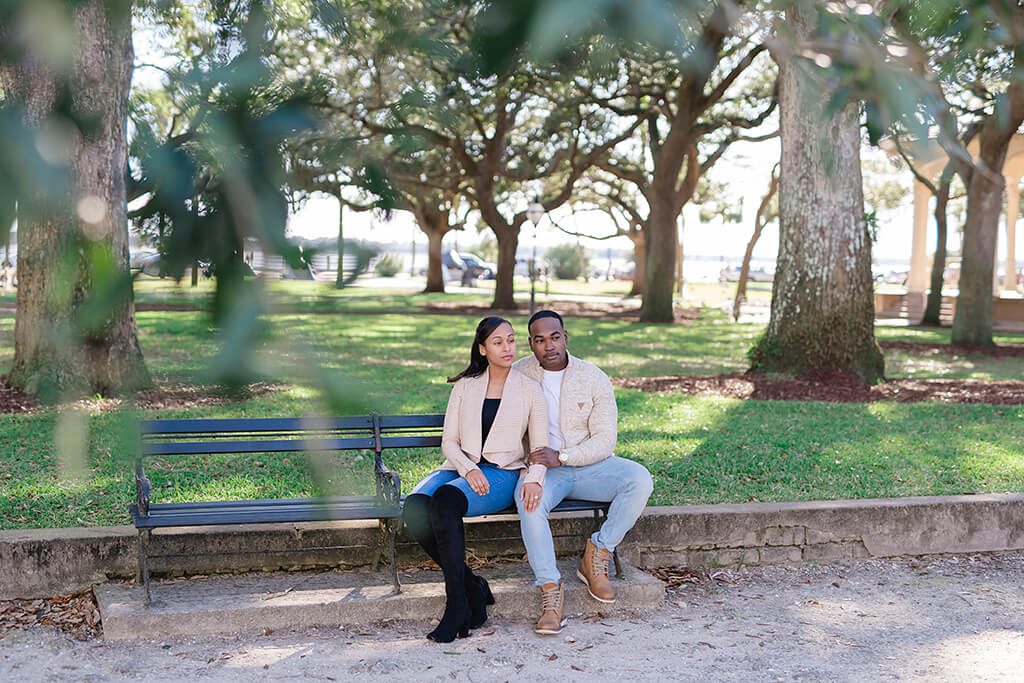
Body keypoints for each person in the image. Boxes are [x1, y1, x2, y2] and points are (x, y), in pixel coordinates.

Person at [402, 316, 549, 643]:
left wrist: (535, 478)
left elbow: (539, 447)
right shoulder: (465, 386)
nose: (507, 347)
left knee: (446, 502)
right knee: (414, 507)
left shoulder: (529, 389)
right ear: (483, 349)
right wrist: (468, 468)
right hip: (461, 468)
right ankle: (472, 587)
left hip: (502, 473)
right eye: (498, 342)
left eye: (511, 340)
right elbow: (449, 442)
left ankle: (457, 606)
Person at [513, 309, 654, 635]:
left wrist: (563, 455)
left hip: (589, 466)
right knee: (529, 501)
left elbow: (605, 440)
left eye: (555, 337)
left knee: (638, 479)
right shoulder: (519, 374)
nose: (548, 345)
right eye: (539, 340)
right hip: (542, 472)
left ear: (566, 337)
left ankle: (598, 552)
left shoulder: (593, 377)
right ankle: (551, 591)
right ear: (531, 344)